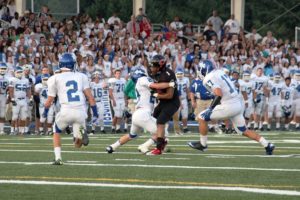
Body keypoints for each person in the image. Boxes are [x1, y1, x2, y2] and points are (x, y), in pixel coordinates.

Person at [188, 60, 275, 155]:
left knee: (201, 117)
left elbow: (218, 94)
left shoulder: (208, 78)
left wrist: (211, 108)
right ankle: (267, 144)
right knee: (243, 130)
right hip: (237, 104)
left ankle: (203, 144)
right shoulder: (220, 72)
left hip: (228, 105)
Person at [44, 53, 98, 165]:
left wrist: (44, 112)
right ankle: (81, 133)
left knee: (56, 131)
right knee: (77, 145)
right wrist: (95, 113)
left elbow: (49, 100)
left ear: (60, 64)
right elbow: (90, 98)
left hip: (66, 111)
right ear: (73, 65)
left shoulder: (54, 78)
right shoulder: (81, 76)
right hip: (81, 112)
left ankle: (58, 158)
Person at [106, 67, 175, 153]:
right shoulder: (142, 79)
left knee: (132, 136)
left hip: (138, 114)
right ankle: (144, 146)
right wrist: (170, 84)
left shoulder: (140, 84)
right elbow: (154, 86)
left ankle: (112, 146)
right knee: (163, 132)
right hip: (143, 114)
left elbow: (156, 89)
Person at [146, 55, 180, 155]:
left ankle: (159, 148)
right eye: (151, 66)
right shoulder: (153, 73)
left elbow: (169, 95)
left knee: (160, 122)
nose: (151, 68)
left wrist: (157, 95)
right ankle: (163, 141)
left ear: (160, 66)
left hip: (172, 102)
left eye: (154, 66)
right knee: (154, 118)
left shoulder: (168, 74)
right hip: (163, 102)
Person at [9, 67, 31, 135]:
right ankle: (12, 131)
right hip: (16, 99)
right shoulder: (12, 80)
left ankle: (21, 131)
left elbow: (28, 90)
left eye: (20, 72)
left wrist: (30, 99)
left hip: (24, 100)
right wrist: (12, 99)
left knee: (23, 117)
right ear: (15, 73)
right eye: (18, 72)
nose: (19, 73)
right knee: (15, 116)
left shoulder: (26, 80)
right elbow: (11, 90)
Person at [108, 69, 127, 133]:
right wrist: (113, 100)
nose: (118, 74)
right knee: (117, 115)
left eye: (119, 73)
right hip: (116, 99)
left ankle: (118, 128)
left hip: (122, 98)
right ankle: (113, 128)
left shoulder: (123, 80)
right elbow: (110, 92)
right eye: (117, 73)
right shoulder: (112, 81)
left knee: (120, 115)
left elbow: (124, 91)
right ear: (114, 74)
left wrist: (125, 99)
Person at [0, 63, 9, 135]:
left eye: (4, 68)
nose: (2, 70)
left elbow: (8, 89)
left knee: (2, 114)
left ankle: (1, 130)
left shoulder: (7, 78)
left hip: (3, 96)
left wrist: (8, 96)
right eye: (1, 68)